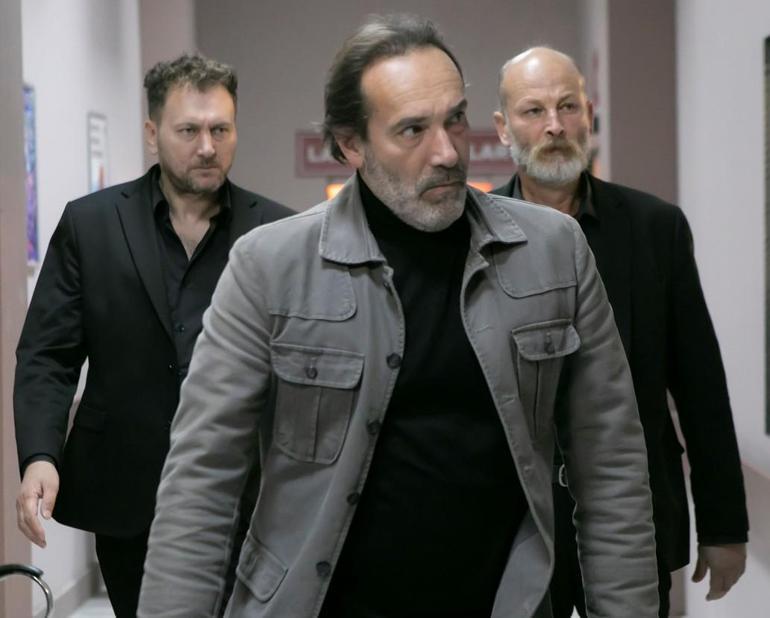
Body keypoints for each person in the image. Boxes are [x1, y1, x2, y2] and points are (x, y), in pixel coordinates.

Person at [138, 16, 658, 618]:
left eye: (455, 120)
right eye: (413, 130)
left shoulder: (555, 252)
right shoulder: (269, 267)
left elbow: (611, 463)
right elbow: (202, 480)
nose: (447, 152)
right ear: (351, 144)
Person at [14, 53, 292, 617]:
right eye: (189, 131)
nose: (207, 146)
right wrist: (41, 455)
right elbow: (48, 354)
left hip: (248, 495)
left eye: (221, 129)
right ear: (152, 133)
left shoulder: (278, 233)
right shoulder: (91, 224)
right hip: (128, 490)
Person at [492, 46, 749, 617]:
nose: (555, 125)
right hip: (514, 521)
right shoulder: (473, 235)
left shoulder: (655, 227)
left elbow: (700, 386)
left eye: (568, 106)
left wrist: (724, 526)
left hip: (633, 510)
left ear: (589, 114)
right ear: (503, 127)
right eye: (533, 111)